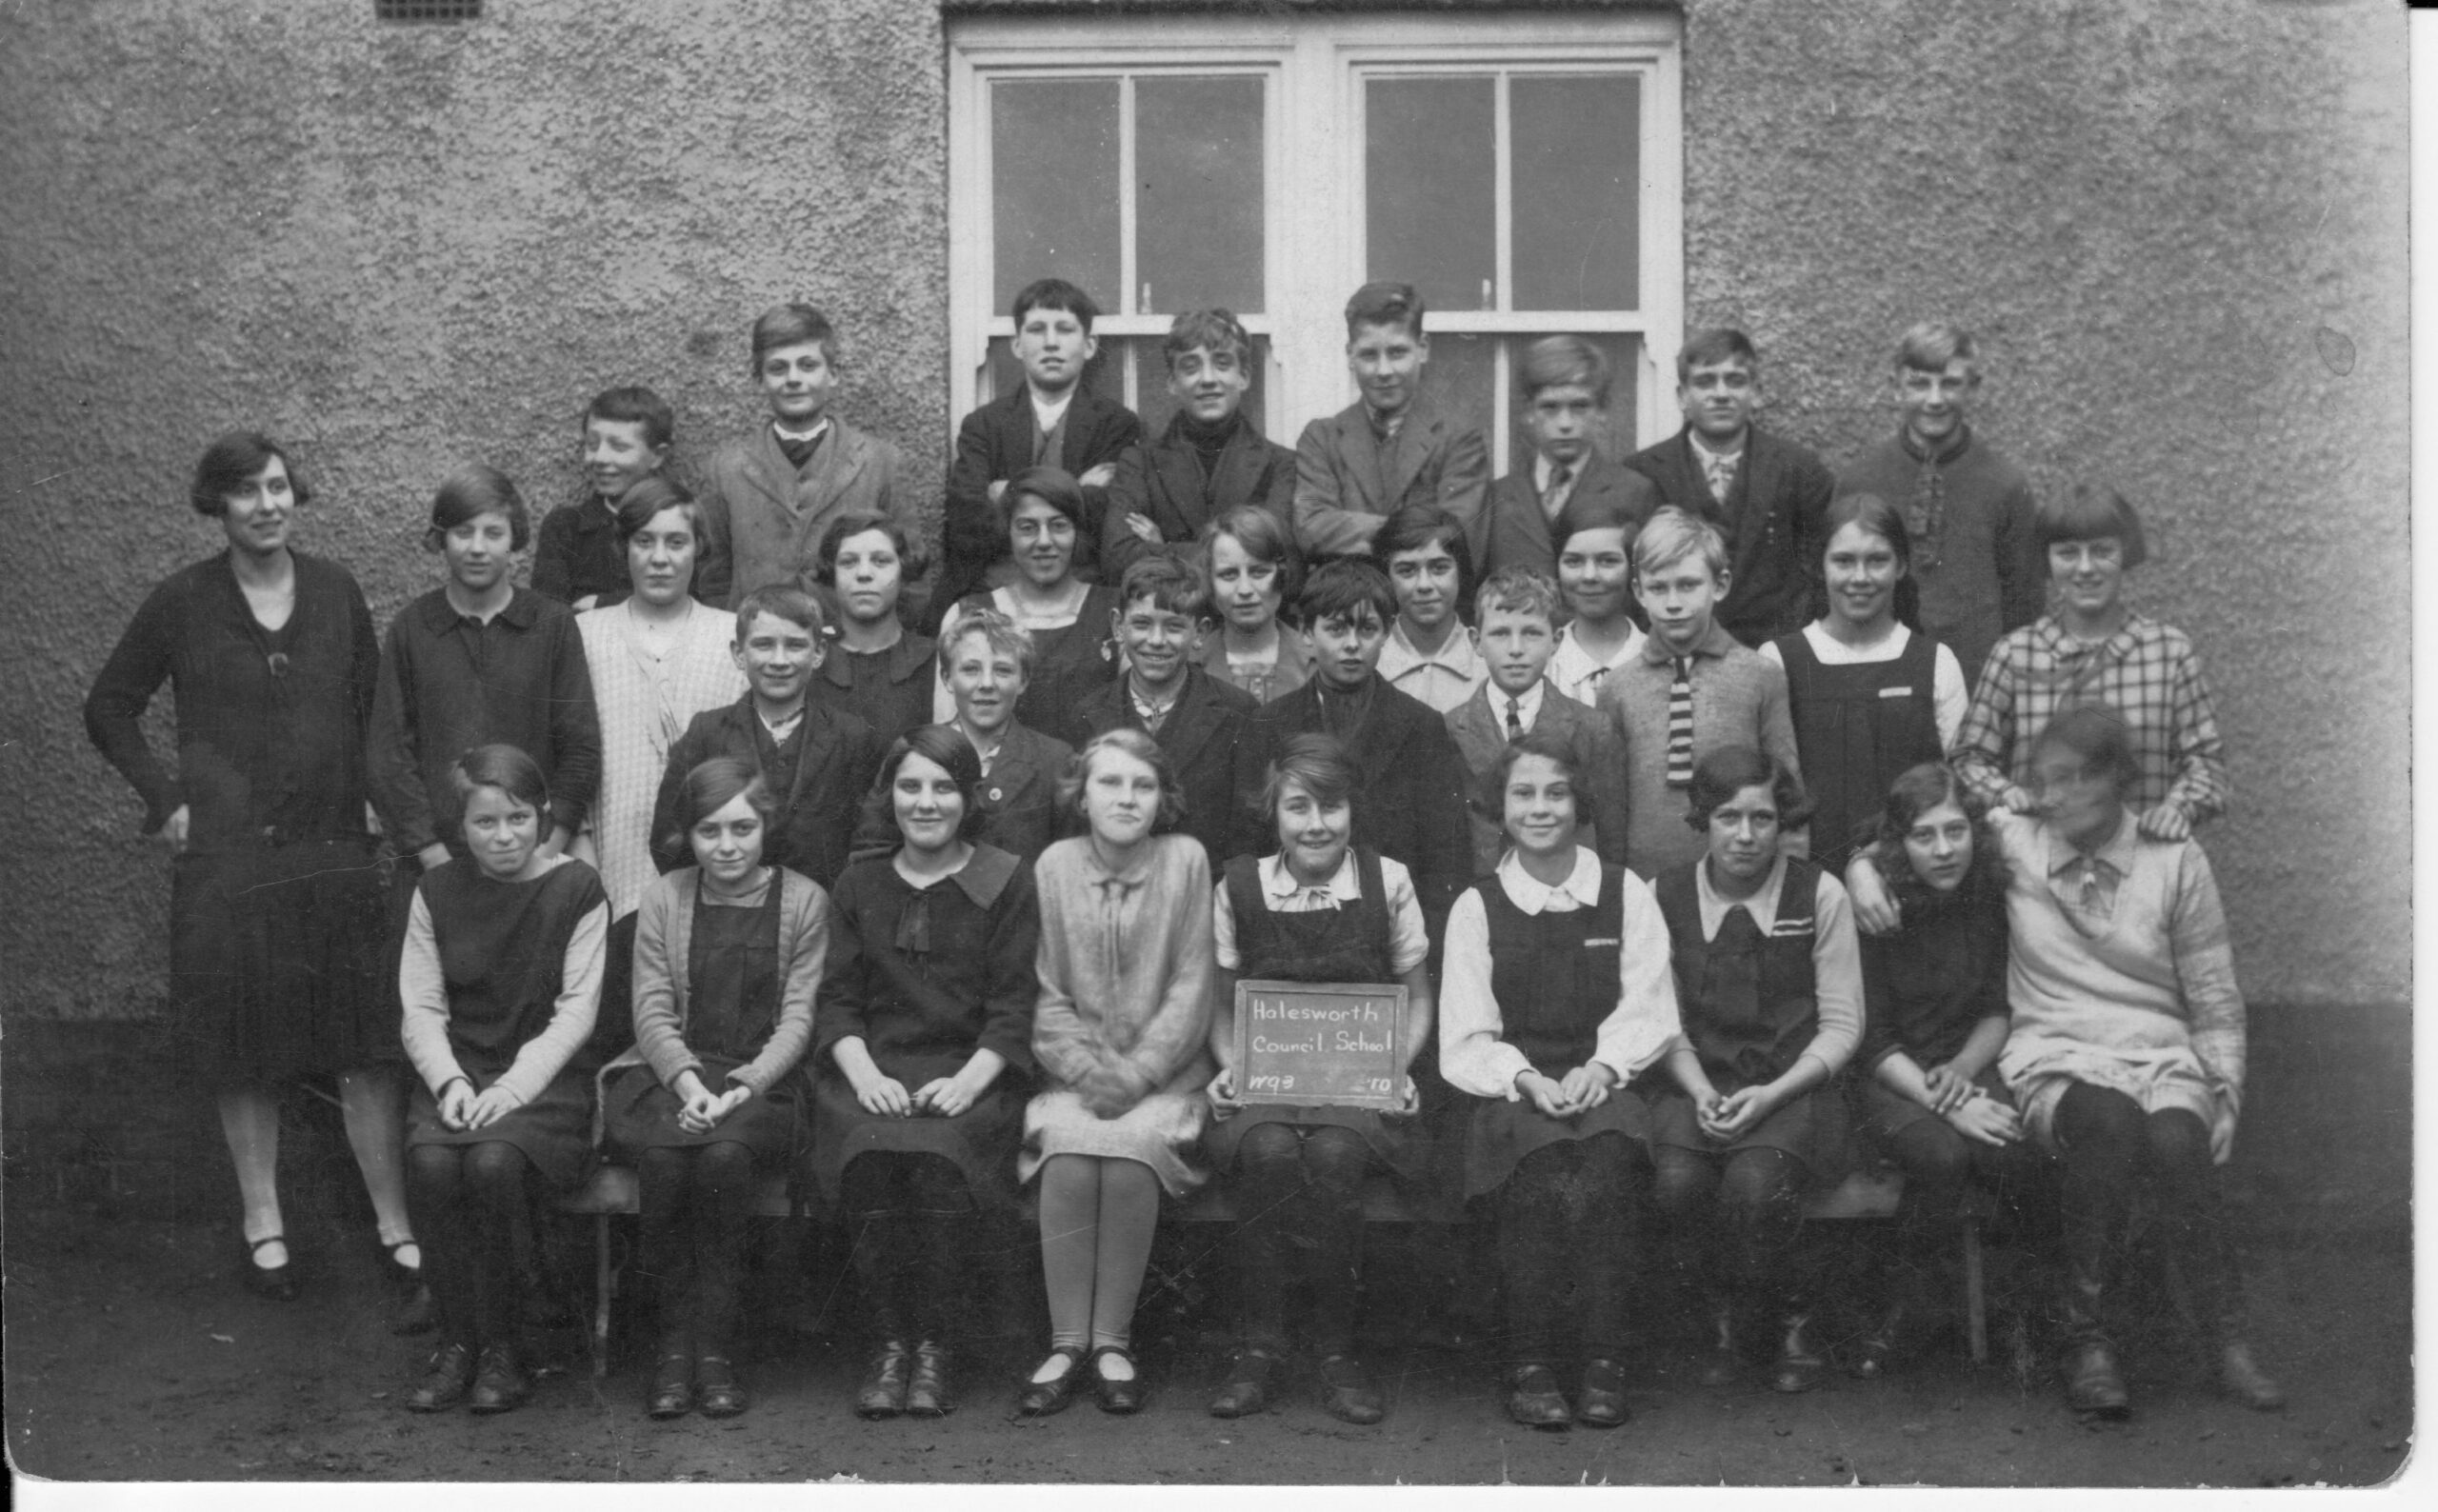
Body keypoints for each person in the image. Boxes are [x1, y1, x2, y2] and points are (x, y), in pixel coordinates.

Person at [1845, 706, 2284, 1416]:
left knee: (2179, 1140)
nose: (2059, 797)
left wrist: (2226, 1088)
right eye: (2046, 781)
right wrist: (1861, 867)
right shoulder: (2016, 841)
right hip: (2054, 1047)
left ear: (2120, 779)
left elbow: (2213, 993)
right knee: (2104, 1123)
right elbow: (1913, 833)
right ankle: (2088, 1342)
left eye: (2079, 779)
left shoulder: (2175, 859)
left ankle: (2226, 1340)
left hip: (2157, 1048)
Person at [85, 431, 424, 1323]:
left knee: (363, 1044)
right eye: (246, 492)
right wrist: (167, 801)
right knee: (242, 1050)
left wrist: (375, 800)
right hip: (228, 865)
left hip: (331, 855)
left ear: (295, 496)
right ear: (217, 506)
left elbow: (371, 711)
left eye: (278, 487)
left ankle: (394, 1223)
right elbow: (109, 706)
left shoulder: (339, 591)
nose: (267, 504)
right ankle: (262, 1220)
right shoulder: (182, 602)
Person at [1439, 733, 1684, 1429]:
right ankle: (1531, 1361)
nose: (1540, 808)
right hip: (1512, 1092)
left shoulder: (1622, 890)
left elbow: (1649, 1005)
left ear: (1580, 803)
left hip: (1607, 1084)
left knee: (1609, 1167)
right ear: (1499, 805)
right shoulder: (1476, 907)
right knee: (1539, 1171)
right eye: (1523, 793)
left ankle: (1606, 1361)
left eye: (1556, 793)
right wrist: (1523, 1079)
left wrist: (1604, 1067)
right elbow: (1466, 1033)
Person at [1203, 735, 1434, 1425]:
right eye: (1297, 807)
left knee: (1334, 1155)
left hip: (1355, 1085)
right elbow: (1222, 1007)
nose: (1315, 825)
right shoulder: (1240, 884)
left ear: (1352, 810)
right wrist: (1229, 1068)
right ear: (1273, 812)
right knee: (1268, 1152)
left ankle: (1336, 1351)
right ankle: (1261, 1348)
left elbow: (1417, 997)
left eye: (1331, 807)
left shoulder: (1387, 880)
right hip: (1268, 1083)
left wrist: (1395, 1069)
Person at [813, 726, 1041, 1421]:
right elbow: (839, 1000)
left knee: (941, 1158)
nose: (926, 801)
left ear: (968, 797)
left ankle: (936, 1346)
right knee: (873, 1153)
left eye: (943, 787)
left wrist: (970, 1082)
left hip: (969, 1073)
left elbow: (1012, 1005)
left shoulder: (1005, 877)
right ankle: (890, 1344)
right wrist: (864, 1075)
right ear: (890, 796)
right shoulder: (859, 881)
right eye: (910, 785)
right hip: (872, 1071)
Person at [603, 757, 827, 1420]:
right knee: (666, 1160)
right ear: (688, 837)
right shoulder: (666, 896)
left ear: (767, 826)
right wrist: (690, 1083)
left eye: (742, 828)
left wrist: (743, 1086)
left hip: (764, 1084)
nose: (727, 846)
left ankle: (718, 1350)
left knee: (725, 1159)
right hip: (672, 1074)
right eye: (709, 831)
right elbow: (651, 1009)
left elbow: (800, 1016)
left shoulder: (805, 900)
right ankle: (674, 1348)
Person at [397, 745, 608, 1414]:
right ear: (461, 828)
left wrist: (512, 1091)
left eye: (518, 817)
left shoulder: (576, 888)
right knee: (430, 1162)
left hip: (546, 1084)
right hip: (463, 1075)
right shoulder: (436, 892)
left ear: (543, 815)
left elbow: (577, 1012)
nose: (504, 835)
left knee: (493, 1162)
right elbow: (422, 1008)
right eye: (485, 823)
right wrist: (450, 1083)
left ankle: (506, 1349)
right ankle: (458, 1341)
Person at [1648, 746, 1863, 1395]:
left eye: (1763, 818)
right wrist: (1700, 1090)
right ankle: (1718, 1321)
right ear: (1702, 821)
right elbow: (1662, 1020)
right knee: (1677, 1182)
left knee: (1755, 1183)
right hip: (1697, 1082)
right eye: (1728, 817)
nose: (1745, 836)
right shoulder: (1665, 894)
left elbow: (1843, 1025)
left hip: (1795, 1088)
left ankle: (1783, 1322)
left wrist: (1772, 1093)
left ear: (1784, 821)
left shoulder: (1819, 892)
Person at [1017, 730, 1216, 1416]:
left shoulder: (1187, 860)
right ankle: (1066, 1341)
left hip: (1166, 1078)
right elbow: (1041, 990)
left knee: (1131, 1153)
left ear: (1163, 799)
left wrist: (1138, 1075)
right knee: (1069, 1153)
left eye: (1143, 785)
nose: (1126, 798)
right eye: (1110, 783)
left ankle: (1113, 1343)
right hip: (1073, 1077)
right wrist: (1083, 1068)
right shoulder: (1052, 866)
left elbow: (1194, 984)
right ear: (1081, 794)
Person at [1844, 763, 2033, 1379]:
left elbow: (1997, 1011)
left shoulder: (1987, 897)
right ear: (1898, 843)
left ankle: (2015, 1311)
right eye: (1925, 836)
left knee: (2009, 1149)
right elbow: (1871, 1041)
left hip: (1965, 1063)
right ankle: (1904, 1311)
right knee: (1943, 1156)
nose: (1944, 849)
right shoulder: (1878, 909)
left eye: (1956, 830)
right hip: (1892, 1076)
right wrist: (1947, 1100)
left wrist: (1962, 1072)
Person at [1951, 485, 2228, 841]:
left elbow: (2207, 764)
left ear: (2125, 554)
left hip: (2142, 865)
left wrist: (2177, 808)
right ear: (2047, 562)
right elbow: (1969, 759)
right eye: (2068, 553)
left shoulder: (2168, 651)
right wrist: (2004, 793)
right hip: (2038, 870)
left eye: (2102, 551)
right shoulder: (2016, 654)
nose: (2085, 568)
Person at [368, 464, 603, 880]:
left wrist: (545, 854)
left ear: (515, 540)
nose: (478, 548)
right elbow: (390, 755)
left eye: (493, 533)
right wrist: (431, 855)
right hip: (437, 866)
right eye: (462, 532)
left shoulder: (551, 624)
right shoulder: (413, 628)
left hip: (535, 860)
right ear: (441, 539)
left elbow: (580, 747)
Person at [1240, 559, 1473, 944]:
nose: (1352, 644)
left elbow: (1444, 857)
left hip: (1390, 929)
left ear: (1387, 632)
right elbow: (1250, 846)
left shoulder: (1421, 726)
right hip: (1290, 929)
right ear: (1306, 633)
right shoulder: (1269, 725)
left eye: (1366, 629)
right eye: (1335, 628)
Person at [1760, 491, 1968, 875]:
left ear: (1901, 566)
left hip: (1910, 878)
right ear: (1819, 567)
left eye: (1877, 561)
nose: (1860, 577)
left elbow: (1956, 787)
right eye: (1843, 561)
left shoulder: (1935, 663)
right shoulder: (1779, 661)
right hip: (1808, 881)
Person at [573, 479, 746, 917]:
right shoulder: (585, 636)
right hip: (605, 865)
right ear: (623, 548)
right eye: (644, 542)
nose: (660, 559)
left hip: (711, 876)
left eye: (676, 542)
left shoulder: (733, 638)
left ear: (699, 548)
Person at [1597, 508, 1801, 879]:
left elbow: (1787, 790)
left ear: (1720, 585)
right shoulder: (1617, 686)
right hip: (1646, 878)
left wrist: (1786, 880)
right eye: (1658, 588)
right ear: (1639, 592)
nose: (1673, 603)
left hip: (1742, 876)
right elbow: (1609, 807)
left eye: (1688, 585)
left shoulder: (1760, 675)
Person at [930, 277, 1144, 627]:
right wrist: (1077, 491)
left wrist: (1007, 494)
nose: (1050, 343)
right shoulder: (983, 425)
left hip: (1084, 597)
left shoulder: (1117, 425)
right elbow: (966, 524)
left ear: (1089, 345)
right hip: (992, 593)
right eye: (1036, 330)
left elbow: (1107, 522)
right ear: (1017, 345)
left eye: (1064, 329)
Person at [1835, 322, 2042, 682]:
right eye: (1919, 383)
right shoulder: (1861, 480)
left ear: (1973, 388)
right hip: (1879, 673)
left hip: (1977, 676)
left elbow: (2023, 603)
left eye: (1949, 383)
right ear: (1895, 386)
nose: (1934, 399)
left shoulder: (2006, 485)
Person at [649, 585, 887, 890]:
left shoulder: (851, 736)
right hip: (725, 914)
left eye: (795, 645)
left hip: (822, 917)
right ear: (738, 654)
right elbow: (668, 838)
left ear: (818, 654)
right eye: (763, 645)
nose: (779, 660)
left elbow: (869, 840)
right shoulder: (707, 733)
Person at [1623, 328, 1834, 648]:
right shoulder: (1643, 473)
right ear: (1682, 396)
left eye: (1735, 381)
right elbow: (1631, 578)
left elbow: (1821, 573)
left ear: (1756, 392)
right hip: (1674, 652)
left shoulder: (1800, 470)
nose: (1721, 394)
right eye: (1705, 382)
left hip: (1774, 653)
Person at [693, 302, 908, 612]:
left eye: (808, 365)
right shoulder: (725, 469)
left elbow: (910, 572)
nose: (793, 379)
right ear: (759, 379)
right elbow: (712, 577)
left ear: (833, 374)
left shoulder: (880, 462)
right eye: (778, 368)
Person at [1058, 556, 1260, 867]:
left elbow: (1248, 831)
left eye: (1174, 626)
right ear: (1118, 626)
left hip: (1205, 893)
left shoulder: (1237, 712)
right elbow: (1076, 826)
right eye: (1141, 624)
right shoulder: (1087, 714)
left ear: (1200, 633)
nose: (1156, 641)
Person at [1445, 566, 1627, 875]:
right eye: (1501, 633)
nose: (1516, 649)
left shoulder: (1592, 728)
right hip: (1486, 895)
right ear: (1475, 641)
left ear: (1555, 641)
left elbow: (1611, 838)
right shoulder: (1450, 728)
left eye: (1531, 633)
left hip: (1567, 892)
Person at [1290, 281, 1489, 562]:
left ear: (1422, 348)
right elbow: (1311, 528)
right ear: (1350, 355)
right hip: (1349, 602)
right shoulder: (1322, 438)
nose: (1383, 371)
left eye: (1397, 353)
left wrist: (1358, 531)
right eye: (1369, 355)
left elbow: (1459, 539)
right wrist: (1417, 533)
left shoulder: (1458, 440)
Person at [1102, 308, 1296, 582]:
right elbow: (1118, 559)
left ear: (1244, 377)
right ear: (1172, 382)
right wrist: (1239, 557)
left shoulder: (1279, 464)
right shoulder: (1139, 462)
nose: (1207, 379)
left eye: (1222, 364)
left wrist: (1162, 548)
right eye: (1191, 367)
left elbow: (1288, 566)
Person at [935, 466, 1122, 733]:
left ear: (1077, 531)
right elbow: (945, 742)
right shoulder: (966, 615)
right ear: (1008, 533)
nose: (1044, 541)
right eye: (1027, 527)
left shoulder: (1115, 612)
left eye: (1059, 526)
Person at [1480, 334, 1658, 582]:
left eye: (1579, 406)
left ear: (1602, 411)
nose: (1565, 423)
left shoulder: (1635, 492)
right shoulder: (1496, 497)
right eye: (1550, 407)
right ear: (1529, 411)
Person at [532, 386, 676, 610]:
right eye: (592, 445)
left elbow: (689, 604)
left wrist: (600, 603)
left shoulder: (681, 524)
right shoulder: (564, 527)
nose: (599, 458)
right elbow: (546, 619)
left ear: (657, 456)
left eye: (619, 447)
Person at [811, 509, 937, 748]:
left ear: (903, 570)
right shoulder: (809, 661)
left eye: (881, 561)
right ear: (832, 572)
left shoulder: (932, 661)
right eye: (848, 562)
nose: (864, 574)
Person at [1195, 504, 1316, 704]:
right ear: (1210, 581)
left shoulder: (1315, 663)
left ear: (1283, 573)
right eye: (1228, 574)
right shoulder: (1190, 664)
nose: (1245, 590)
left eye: (1259, 572)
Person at [1372, 504, 1487, 713]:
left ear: (1460, 572)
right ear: (1387, 578)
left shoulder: (1489, 661)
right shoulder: (1369, 661)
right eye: (1407, 571)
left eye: (1439, 568)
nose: (1424, 585)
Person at [1545, 492, 1649, 706]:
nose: (1589, 575)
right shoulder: (1541, 663)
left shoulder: (1657, 659)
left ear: (1632, 569)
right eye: (1574, 562)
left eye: (1608, 561)